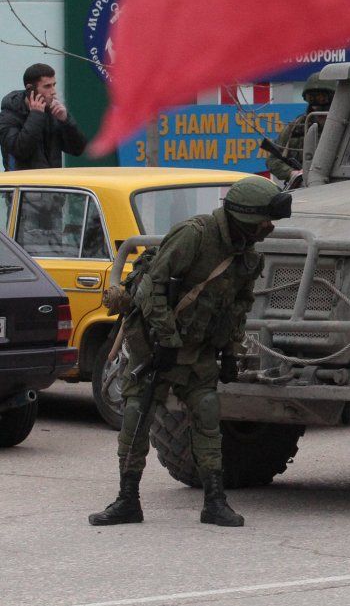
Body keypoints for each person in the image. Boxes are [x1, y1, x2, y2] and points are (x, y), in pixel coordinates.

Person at [88, 176, 290, 528]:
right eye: (264, 221)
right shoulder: (194, 236)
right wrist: (166, 340)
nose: (269, 228)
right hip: (155, 345)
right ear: (244, 217)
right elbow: (152, 288)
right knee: (136, 416)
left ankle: (215, 501)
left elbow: (237, 307)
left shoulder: (246, 256)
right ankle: (127, 499)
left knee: (208, 417)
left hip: (199, 351)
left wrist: (230, 351)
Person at [0, 63, 89, 170]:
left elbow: (77, 149)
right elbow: (20, 151)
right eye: (47, 86)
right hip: (23, 180)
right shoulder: (9, 115)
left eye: (54, 85)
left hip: (51, 180)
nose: (53, 92)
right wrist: (36, 115)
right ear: (30, 88)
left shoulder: (53, 112)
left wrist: (66, 121)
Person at [266, 74, 334, 183]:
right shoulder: (296, 128)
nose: (317, 106)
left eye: (322, 98)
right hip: (304, 186)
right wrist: (292, 173)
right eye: (311, 98)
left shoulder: (347, 126)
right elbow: (272, 160)